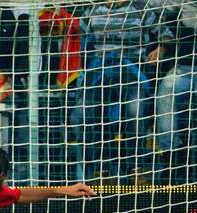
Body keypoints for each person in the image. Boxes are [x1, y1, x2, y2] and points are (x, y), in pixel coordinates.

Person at [69, 0, 172, 183]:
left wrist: (161, 48)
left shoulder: (141, 9)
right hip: (101, 71)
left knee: (135, 110)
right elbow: (82, 43)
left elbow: (166, 34)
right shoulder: (91, 11)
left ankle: (136, 167)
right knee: (86, 112)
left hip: (132, 69)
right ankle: (102, 169)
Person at [151, 0, 197, 183]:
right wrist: (163, 44)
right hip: (184, 67)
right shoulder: (182, 4)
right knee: (167, 88)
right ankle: (172, 156)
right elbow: (155, 10)